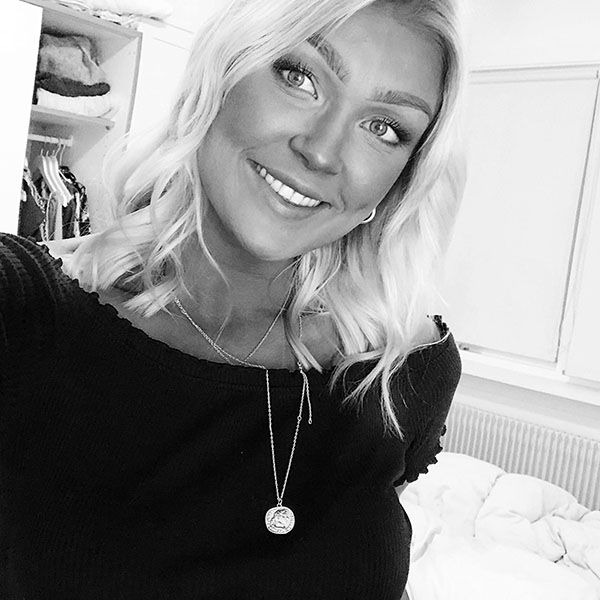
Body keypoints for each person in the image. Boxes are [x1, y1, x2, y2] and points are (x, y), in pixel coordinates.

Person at [0, 0, 466, 597]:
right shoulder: (26, 313)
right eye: (300, 77)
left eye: (384, 128)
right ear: (220, 74)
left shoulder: (405, 367)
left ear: (401, 179)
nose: (322, 152)